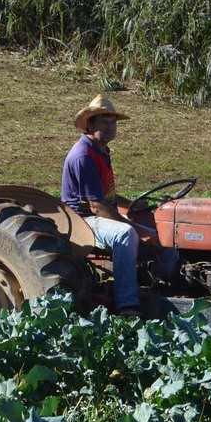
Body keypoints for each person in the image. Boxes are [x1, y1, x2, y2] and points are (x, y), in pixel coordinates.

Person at [61, 95, 178, 316]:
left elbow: (107, 196)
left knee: (167, 238)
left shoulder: (101, 151)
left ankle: (162, 291)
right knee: (125, 234)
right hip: (83, 221)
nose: (110, 127)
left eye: (113, 122)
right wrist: (137, 229)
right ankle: (127, 305)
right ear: (89, 125)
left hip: (99, 215)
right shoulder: (83, 156)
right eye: (104, 122)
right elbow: (96, 206)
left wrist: (131, 204)